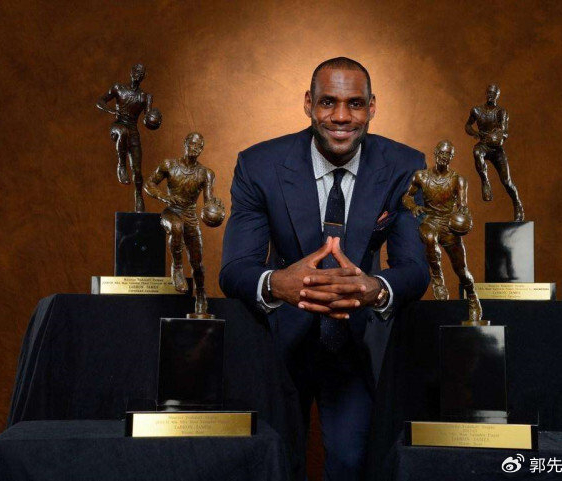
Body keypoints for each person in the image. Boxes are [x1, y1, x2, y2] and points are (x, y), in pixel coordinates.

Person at [220, 57, 428, 480]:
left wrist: (375, 287)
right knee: (275, 464)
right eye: (328, 102)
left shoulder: (404, 166)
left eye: (355, 104)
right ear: (308, 104)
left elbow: (414, 269)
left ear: (372, 107)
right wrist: (277, 283)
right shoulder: (259, 165)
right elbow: (235, 269)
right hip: (279, 341)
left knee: (352, 464)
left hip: (355, 343)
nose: (341, 116)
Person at [144, 132, 225, 316]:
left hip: (190, 216)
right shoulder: (169, 165)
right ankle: (178, 268)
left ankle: (201, 293)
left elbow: (208, 202)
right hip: (171, 212)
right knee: (176, 227)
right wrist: (164, 197)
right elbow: (149, 184)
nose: (195, 148)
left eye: (199, 146)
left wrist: (216, 209)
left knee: (197, 263)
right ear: (185, 143)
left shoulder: (206, 173)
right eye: (192, 144)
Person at [402, 140, 482, 323]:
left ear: (452, 157)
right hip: (430, 220)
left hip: (449, 224)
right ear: (436, 153)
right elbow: (407, 197)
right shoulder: (421, 176)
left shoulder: (458, 180)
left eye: (448, 155)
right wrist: (413, 206)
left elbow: (462, 205)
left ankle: (473, 297)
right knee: (429, 238)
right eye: (442, 153)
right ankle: (437, 279)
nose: (444, 157)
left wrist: (464, 216)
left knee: (462, 271)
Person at [96, 63, 158, 213]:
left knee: (137, 171)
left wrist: (155, 118)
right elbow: (100, 101)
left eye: (141, 72)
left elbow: (148, 119)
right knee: (123, 132)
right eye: (136, 70)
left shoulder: (145, 97)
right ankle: (121, 165)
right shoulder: (118, 88)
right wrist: (111, 110)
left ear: (144, 76)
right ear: (131, 72)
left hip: (133, 130)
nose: (138, 74)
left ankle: (138, 196)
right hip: (118, 126)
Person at [465, 84, 524, 221]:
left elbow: (504, 131)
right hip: (483, 145)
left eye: (494, 94)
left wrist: (499, 137)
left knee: (507, 182)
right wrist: (475, 133)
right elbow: (467, 125)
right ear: (486, 93)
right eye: (489, 93)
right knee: (477, 152)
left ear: (498, 96)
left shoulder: (501, 112)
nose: (491, 96)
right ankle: (485, 181)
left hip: (497, 149)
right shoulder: (477, 110)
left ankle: (517, 203)